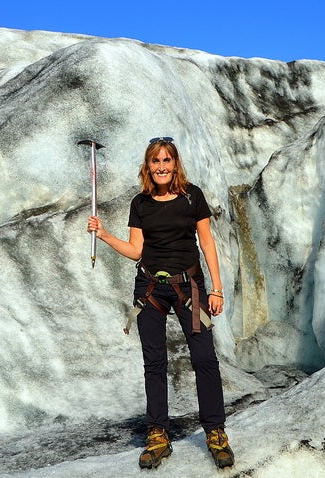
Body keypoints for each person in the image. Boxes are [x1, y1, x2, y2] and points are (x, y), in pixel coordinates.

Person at [86, 137, 234, 469]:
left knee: (205, 359)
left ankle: (215, 432)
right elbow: (136, 251)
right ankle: (158, 434)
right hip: (150, 288)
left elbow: (207, 243)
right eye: (156, 161)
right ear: (148, 166)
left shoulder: (191, 196)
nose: (162, 166)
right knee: (154, 363)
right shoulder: (140, 203)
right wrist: (105, 234)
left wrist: (217, 289)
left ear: (175, 164)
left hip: (189, 287)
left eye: (167, 160)